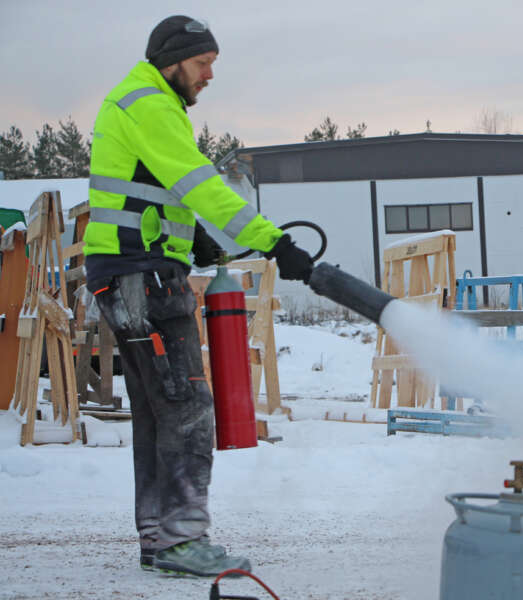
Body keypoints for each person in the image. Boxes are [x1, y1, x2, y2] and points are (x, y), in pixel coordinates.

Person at [83, 15, 312, 577]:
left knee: (160, 413)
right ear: (173, 60)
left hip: (129, 273)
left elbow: (158, 190)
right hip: (144, 279)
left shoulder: (138, 101)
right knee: (186, 408)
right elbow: (200, 183)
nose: (210, 75)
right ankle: (183, 541)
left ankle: (160, 539)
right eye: (203, 63)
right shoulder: (152, 103)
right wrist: (272, 241)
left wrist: (197, 241)